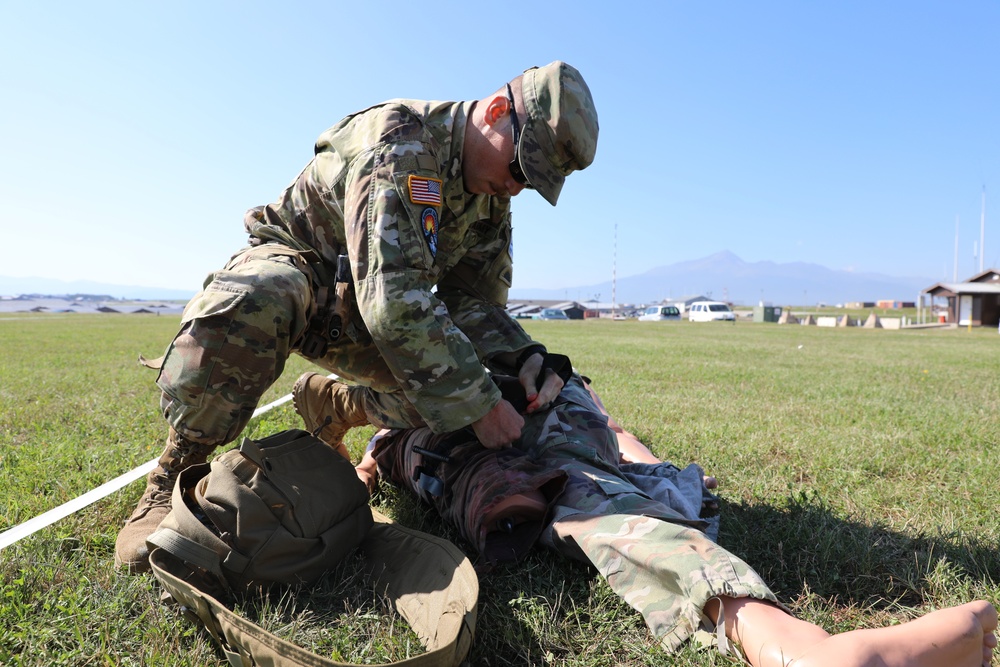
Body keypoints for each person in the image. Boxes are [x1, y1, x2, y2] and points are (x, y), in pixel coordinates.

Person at [115, 61, 599, 572]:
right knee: (261, 296)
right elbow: (393, 299)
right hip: (301, 275)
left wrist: (521, 356)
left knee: (474, 377)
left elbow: (474, 305)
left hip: (370, 307)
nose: (517, 188)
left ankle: (339, 404)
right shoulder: (404, 144)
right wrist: (480, 405)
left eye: (533, 181)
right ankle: (174, 471)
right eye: (520, 168)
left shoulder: (489, 201)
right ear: (498, 111)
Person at [301, 373, 997, 667]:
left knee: (609, 509)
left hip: (541, 452)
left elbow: (607, 423)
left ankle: (786, 641)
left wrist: (654, 471)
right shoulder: (404, 414)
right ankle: (789, 642)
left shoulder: (415, 417)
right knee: (606, 513)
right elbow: (610, 424)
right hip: (522, 461)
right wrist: (651, 469)